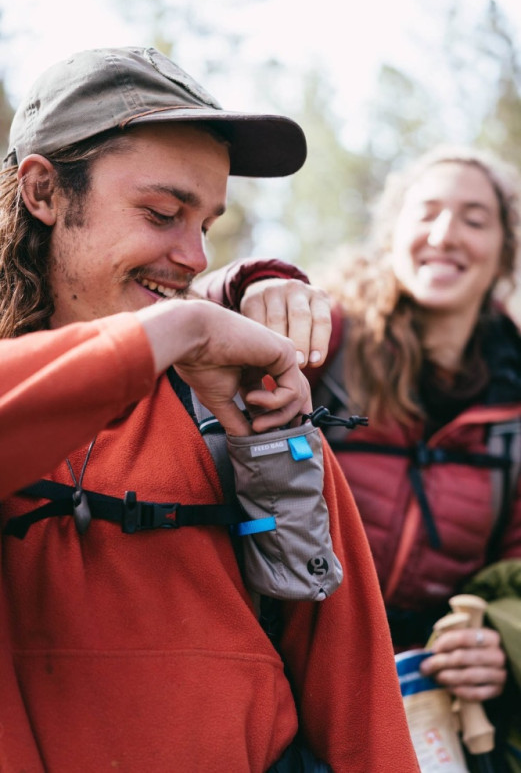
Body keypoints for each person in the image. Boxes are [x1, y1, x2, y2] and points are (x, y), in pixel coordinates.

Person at [0, 46, 419, 772]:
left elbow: (360, 700)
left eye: (206, 224)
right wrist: (180, 327)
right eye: (162, 213)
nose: (194, 255)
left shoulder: (241, 408)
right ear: (43, 191)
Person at [218, 144, 521, 762]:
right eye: (427, 212)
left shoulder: (514, 400)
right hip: (284, 668)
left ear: (505, 251)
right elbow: (194, 333)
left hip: (426, 702)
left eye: (474, 219)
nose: (445, 234)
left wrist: (504, 638)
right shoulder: (324, 340)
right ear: (392, 234)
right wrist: (249, 284)